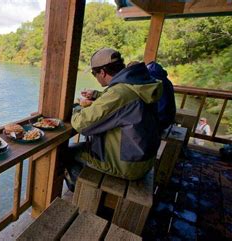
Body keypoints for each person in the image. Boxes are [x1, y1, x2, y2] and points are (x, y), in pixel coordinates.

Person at [64, 48, 162, 190]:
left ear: (102, 72)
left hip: (128, 166)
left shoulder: (119, 93)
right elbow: (120, 102)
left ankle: (81, 191)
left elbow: (81, 125)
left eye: (94, 73)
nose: (95, 77)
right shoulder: (138, 84)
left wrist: (78, 108)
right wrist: (97, 95)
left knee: (68, 152)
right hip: (143, 159)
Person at [147, 61, 176, 131]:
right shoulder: (167, 81)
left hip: (160, 121)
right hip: (168, 118)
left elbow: (161, 107)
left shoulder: (155, 83)